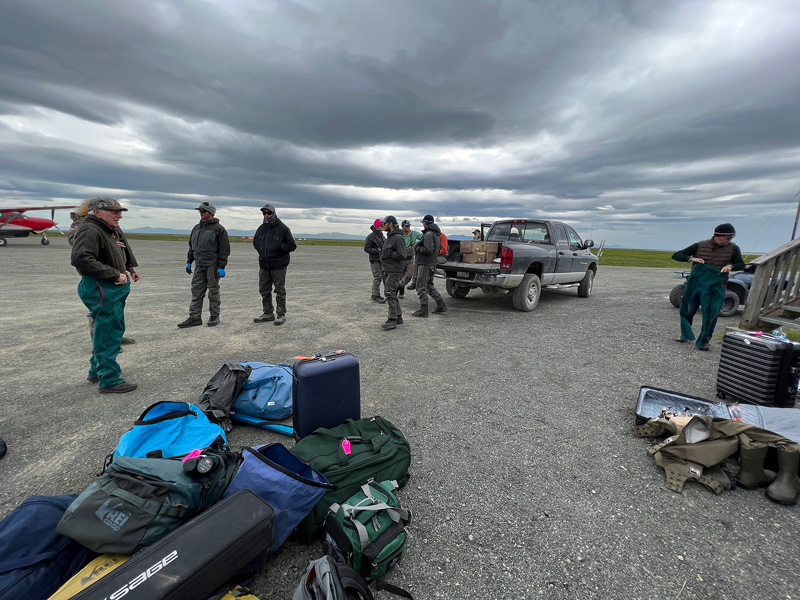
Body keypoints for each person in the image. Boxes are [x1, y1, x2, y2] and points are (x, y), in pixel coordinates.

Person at [70, 197, 137, 393]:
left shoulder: (104, 228)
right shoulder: (91, 228)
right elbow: (81, 258)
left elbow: (114, 253)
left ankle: (96, 371)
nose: (119, 215)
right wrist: (115, 274)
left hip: (107, 287)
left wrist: (126, 269)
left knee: (104, 330)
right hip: (101, 286)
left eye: (119, 211)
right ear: (96, 212)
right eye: (113, 211)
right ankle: (109, 379)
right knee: (108, 333)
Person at [672, 223, 745, 351]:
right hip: (697, 285)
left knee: (712, 313)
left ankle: (706, 339)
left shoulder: (733, 248)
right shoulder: (700, 245)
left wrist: (731, 267)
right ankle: (685, 334)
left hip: (717, 286)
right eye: (728, 237)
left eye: (732, 237)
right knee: (689, 310)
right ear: (719, 236)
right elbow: (677, 255)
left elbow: (741, 264)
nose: (730, 240)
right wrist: (691, 259)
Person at [178, 202, 230, 328]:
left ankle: (214, 316)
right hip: (199, 264)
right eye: (200, 211)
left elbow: (224, 249)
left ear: (210, 213)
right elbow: (192, 246)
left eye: (203, 211)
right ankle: (194, 317)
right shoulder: (196, 228)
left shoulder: (219, 229)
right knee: (196, 290)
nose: (201, 213)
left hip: (212, 265)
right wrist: (189, 261)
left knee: (213, 290)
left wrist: (221, 266)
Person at [253, 203, 296, 326]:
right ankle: (268, 313)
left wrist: (278, 247)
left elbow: (292, 246)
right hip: (264, 265)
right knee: (264, 290)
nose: (266, 215)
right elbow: (256, 242)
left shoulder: (283, 229)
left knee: (279, 290)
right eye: (264, 213)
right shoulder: (261, 228)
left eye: (269, 213)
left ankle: (281, 314)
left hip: (278, 265)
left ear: (274, 213)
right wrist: (261, 250)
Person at [412, 214, 447, 318]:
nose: (423, 225)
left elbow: (428, 249)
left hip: (425, 263)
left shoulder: (428, 235)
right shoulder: (436, 234)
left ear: (426, 224)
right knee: (429, 285)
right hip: (431, 263)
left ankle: (424, 310)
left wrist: (417, 249)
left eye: (423, 223)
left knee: (421, 287)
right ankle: (441, 305)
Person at [379, 216, 406, 330]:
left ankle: (392, 319)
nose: (383, 225)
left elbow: (402, 255)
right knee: (392, 293)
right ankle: (398, 316)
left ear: (390, 224)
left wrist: (389, 253)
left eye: (384, 223)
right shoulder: (389, 237)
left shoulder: (398, 238)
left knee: (389, 293)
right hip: (387, 269)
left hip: (394, 270)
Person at [398, 219, 422, 299]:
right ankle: (400, 292)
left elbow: (423, 237)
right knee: (400, 275)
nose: (408, 227)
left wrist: (418, 245)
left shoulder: (414, 234)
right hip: (400, 258)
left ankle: (397, 287)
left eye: (409, 225)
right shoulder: (399, 235)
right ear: (402, 227)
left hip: (410, 258)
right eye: (406, 226)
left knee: (409, 274)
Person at [364, 218, 386, 303]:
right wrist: (378, 251)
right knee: (377, 277)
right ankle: (375, 295)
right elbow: (366, 248)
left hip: (381, 260)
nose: (383, 226)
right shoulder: (371, 237)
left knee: (383, 277)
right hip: (375, 260)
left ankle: (380, 295)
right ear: (377, 226)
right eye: (382, 225)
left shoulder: (381, 235)